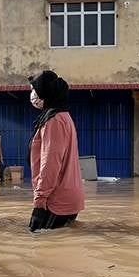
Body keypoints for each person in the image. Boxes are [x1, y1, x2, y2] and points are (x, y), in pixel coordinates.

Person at [27, 70, 85, 231]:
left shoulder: (54, 120)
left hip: (56, 201)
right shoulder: (63, 116)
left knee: (41, 248)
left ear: (45, 92)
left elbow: (50, 164)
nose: (32, 94)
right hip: (69, 198)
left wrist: (39, 202)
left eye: (34, 90)